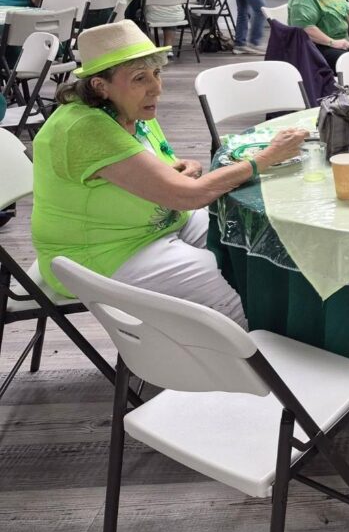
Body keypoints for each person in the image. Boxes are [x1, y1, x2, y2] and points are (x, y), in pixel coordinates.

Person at [30, 20, 308, 325]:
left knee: (250, 242)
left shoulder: (130, 109)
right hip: (103, 252)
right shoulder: (84, 127)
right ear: (100, 86)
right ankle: (260, 362)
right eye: (140, 78)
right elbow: (189, 195)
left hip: (160, 222)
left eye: (157, 73)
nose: (157, 88)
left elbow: (163, 169)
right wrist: (266, 157)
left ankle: (284, 332)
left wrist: (186, 168)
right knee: (232, 290)